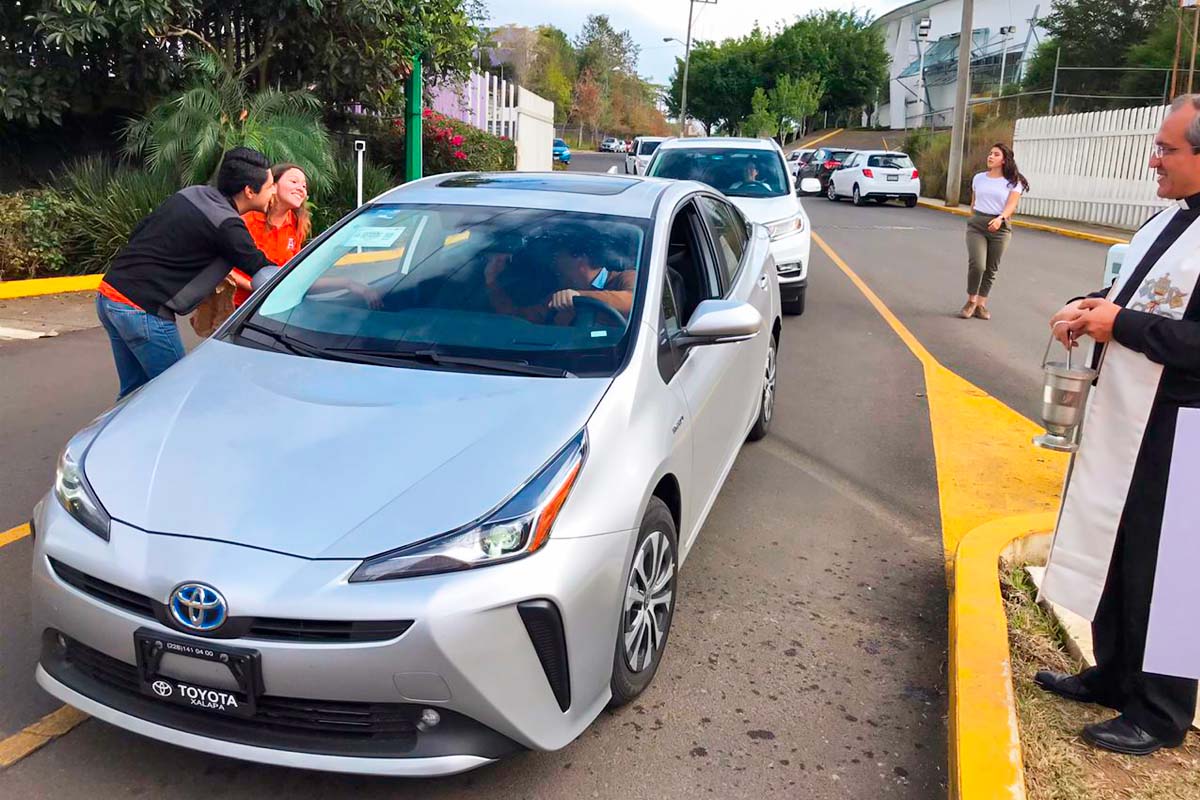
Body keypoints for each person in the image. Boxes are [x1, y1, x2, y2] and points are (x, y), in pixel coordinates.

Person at [1035, 94, 1200, 756]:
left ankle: (1160, 712)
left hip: (1188, 424)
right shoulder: (1174, 222)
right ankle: (1115, 675)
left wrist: (1120, 324)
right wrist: (1091, 306)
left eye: (1167, 149)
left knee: (1176, 573)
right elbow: (1137, 294)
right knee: (1125, 547)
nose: (1153, 159)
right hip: (1136, 413)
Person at [96, 147, 276, 398]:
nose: (274, 191)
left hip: (110, 295)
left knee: (133, 396)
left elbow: (141, 230)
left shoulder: (192, 194)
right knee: (181, 396)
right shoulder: (227, 223)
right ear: (249, 191)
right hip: (142, 310)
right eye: (270, 186)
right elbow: (261, 270)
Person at [225, 163, 381, 311]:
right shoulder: (246, 219)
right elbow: (222, 268)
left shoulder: (296, 225)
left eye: (304, 186)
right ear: (273, 185)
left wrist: (348, 283)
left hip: (269, 309)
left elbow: (293, 277)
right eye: (294, 181)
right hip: (235, 309)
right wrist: (257, 287)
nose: (301, 188)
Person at [486, 236, 634, 325]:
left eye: (557, 257)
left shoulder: (626, 278)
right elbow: (517, 319)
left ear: (580, 259)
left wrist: (578, 297)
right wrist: (492, 281)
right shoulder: (558, 296)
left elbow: (633, 300)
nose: (553, 264)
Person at [959, 143, 1029, 320]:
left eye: (996, 154)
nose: (990, 157)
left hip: (1000, 227)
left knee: (991, 268)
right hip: (977, 226)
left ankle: (981, 305)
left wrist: (1000, 219)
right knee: (977, 264)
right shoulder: (979, 178)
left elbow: (1011, 205)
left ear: (1004, 160)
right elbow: (973, 203)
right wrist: (974, 218)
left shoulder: (1014, 182)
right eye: (990, 153)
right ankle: (971, 301)